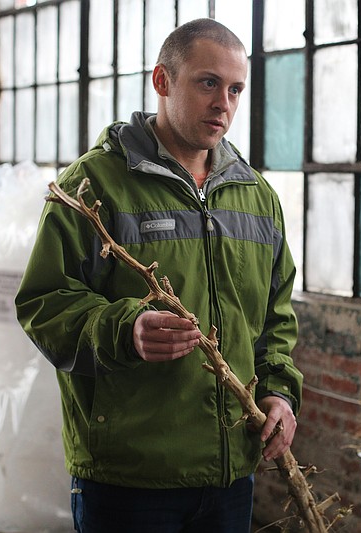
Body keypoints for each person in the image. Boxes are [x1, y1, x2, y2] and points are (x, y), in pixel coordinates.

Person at [15, 18, 303, 533]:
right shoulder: (92, 185)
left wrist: (279, 392)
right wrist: (124, 330)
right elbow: (44, 304)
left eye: (235, 89)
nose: (224, 104)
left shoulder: (258, 199)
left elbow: (275, 319)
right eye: (208, 82)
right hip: (131, 478)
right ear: (162, 81)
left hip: (229, 475)